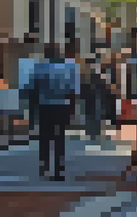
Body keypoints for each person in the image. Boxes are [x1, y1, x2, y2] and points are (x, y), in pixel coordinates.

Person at [30, 43, 78, 180]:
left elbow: (33, 89)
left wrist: (33, 109)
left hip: (45, 106)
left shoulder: (39, 68)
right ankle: (58, 168)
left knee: (45, 137)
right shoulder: (69, 68)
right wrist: (72, 109)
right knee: (59, 137)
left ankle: (44, 164)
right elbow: (73, 91)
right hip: (62, 106)